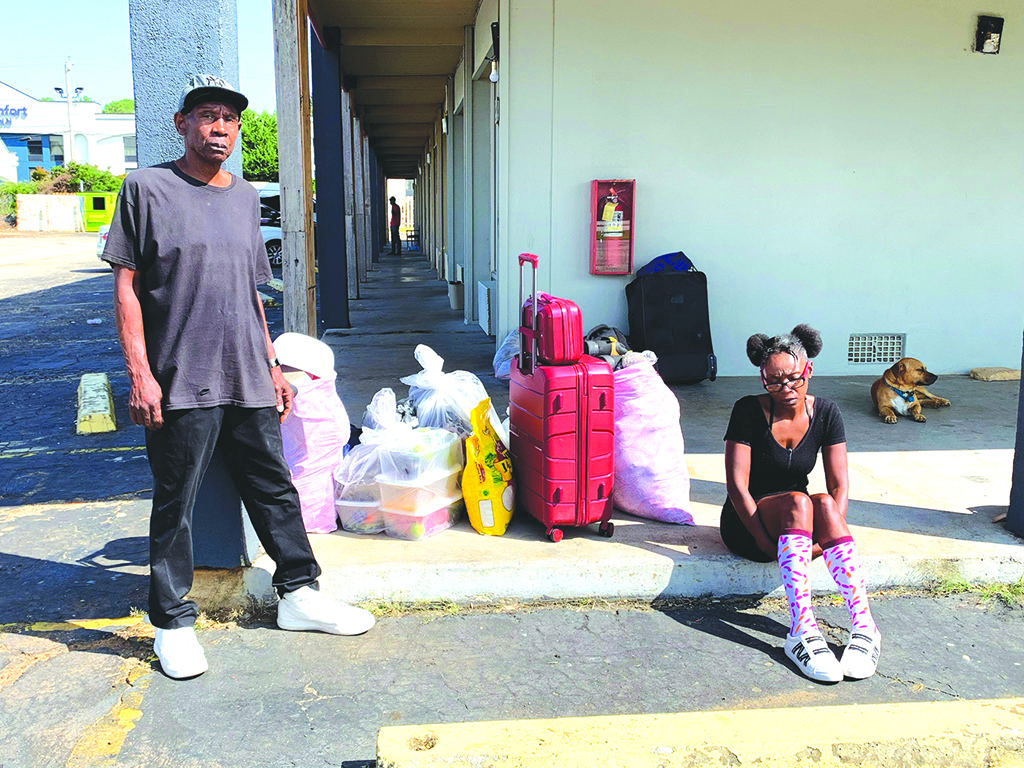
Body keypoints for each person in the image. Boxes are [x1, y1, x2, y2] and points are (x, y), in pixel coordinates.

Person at [103, 74, 375, 680]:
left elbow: (253, 292)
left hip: (248, 372)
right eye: (205, 116)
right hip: (179, 378)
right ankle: (171, 623)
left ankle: (300, 596)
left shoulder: (245, 197)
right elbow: (125, 289)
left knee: (274, 487)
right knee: (176, 502)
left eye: (228, 118)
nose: (219, 127)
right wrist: (140, 374)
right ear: (182, 124)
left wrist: (275, 365)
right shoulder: (144, 189)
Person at [721, 324, 881, 683]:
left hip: (799, 525)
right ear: (762, 378)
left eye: (794, 378)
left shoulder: (826, 412)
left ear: (808, 370)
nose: (786, 389)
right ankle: (802, 631)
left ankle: (865, 626)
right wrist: (766, 542)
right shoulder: (747, 411)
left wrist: (823, 539)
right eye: (773, 382)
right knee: (800, 500)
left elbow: (840, 485)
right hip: (748, 524)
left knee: (822, 501)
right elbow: (737, 487)